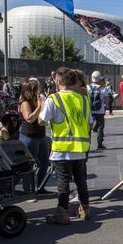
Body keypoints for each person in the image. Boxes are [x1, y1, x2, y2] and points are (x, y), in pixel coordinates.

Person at [39, 67, 93, 224]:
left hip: (62, 149)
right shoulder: (82, 99)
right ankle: (85, 209)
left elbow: (41, 120)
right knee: (81, 180)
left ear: (58, 81)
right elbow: (90, 123)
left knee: (63, 182)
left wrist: (43, 105)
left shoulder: (53, 99)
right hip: (80, 149)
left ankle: (62, 213)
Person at [19, 80, 52, 195]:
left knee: (44, 162)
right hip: (29, 136)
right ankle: (28, 190)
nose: (40, 90)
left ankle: (40, 187)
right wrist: (39, 107)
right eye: (38, 88)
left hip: (40, 135)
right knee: (29, 164)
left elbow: (43, 119)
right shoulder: (25, 103)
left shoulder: (38, 100)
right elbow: (29, 118)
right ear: (31, 90)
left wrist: (44, 107)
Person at [87, 71, 108, 150]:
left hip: (89, 110)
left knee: (88, 127)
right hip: (100, 111)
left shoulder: (87, 87)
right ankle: (99, 144)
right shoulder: (103, 89)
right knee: (100, 127)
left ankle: (87, 143)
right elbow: (106, 101)